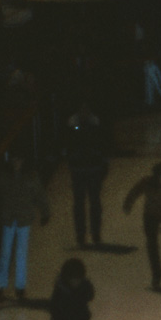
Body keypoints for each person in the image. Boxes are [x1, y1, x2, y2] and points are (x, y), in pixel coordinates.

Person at [0, 154, 51, 301]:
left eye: (19, 159)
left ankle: (18, 287)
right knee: (7, 253)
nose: (17, 162)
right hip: (12, 219)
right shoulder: (11, 176)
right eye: (15, 159)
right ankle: (3, 286)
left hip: (19, 219)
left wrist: (45, 212)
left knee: (19, 253)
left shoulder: (26, 177)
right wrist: (45, 212)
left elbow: (40, 195)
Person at [122, 161, 161, 290]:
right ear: (157, 177)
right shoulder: (148, 182)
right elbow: (135, 191)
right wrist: (128, 204)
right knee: (152, 245)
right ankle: (157, 275)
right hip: (151, 216)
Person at [65, 101, 108, 248]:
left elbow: (102, 147)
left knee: (91, 203)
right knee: (82, 204)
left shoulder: (90, 127)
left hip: (90, 169)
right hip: (82, 169)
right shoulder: (76, 127)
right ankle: (83, 235)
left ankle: (92, 234)